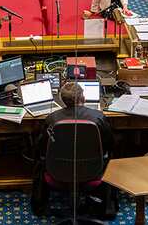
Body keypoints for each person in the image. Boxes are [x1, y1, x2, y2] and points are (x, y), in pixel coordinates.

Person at [32, 82, 115, 218]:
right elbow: (110, 145)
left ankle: (40, 206)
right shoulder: (98, 117)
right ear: (83, 98)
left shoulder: (52, 119)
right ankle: (107, 207)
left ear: (62, 100)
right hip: (93, 170)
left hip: (57, 170)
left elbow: (41, 148)